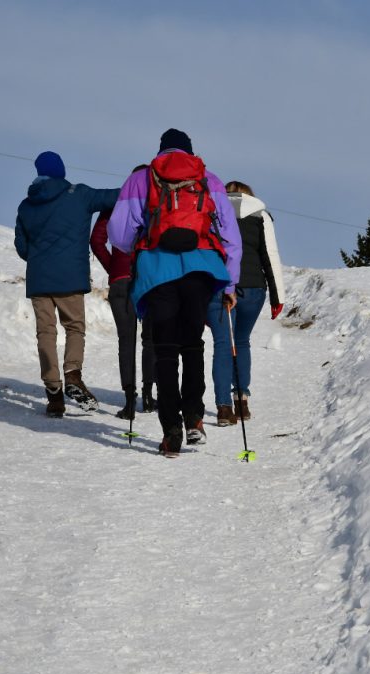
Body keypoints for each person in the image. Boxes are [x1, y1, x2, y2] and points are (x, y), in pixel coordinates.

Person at [107, 129, 241, 456]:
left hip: (157, 271)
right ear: (190, 153)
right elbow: (230, 235)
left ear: (161, 151)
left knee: (164, 347)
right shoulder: (210, 180)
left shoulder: (142, 179)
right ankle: (195, 416)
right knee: (192, 343)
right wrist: (231, 283)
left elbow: (119, 234)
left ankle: (171, 431)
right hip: (202, 269)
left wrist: (143, 242)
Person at [15, 151, 120, 418]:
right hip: (70, 278)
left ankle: (53, 396)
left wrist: (41, 257)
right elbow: (115, 196)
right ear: (62, 170)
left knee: (45, 333)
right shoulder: (80, 194)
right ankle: (73, 374)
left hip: (39, 279)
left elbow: (22, 247)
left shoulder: (26, 205)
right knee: (74, 328)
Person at [206, 180, 285, 426]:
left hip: (219, 285)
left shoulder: (211, 210)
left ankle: (223, 408)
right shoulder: (261, 215)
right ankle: (241, 399)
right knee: (241, 342)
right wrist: (277, 296)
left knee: (222, 344)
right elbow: (269, 255)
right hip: (253, 288)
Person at [90, 168, 156, 419]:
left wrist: (114, 268)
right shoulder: (155, 205)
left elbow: (97, 240)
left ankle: (129, 402)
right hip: (150, 280)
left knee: (126, 340)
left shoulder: (116, 203)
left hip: (121, 280)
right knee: (151, 338)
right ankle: (149, 397)